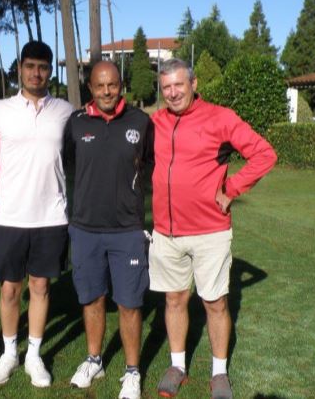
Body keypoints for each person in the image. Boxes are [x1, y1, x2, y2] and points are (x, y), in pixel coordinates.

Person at [149, 59, 277, 399]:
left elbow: (264, 154)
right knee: (174, 299)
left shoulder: (221, 117)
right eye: (166, 87)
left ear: (193, 83)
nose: (173, 93)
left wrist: (232, 189)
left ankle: (219, 372)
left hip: (209, 231)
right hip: (166, 232)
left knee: (215, 303)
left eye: (179, 85)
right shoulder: (157, 121)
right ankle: (178, 366)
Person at [0, 41, 74, 388]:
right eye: (30, 66)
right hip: (9, 215)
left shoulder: (65, 111)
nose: (36, 73)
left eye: (43, 67)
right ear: (19, 68)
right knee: (10, 289)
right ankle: (10, 352)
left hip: (51, 215)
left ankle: (34, 354)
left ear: (50, 71)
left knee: (40, 285)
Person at [64, 61, 153, 399]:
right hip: (85, 228)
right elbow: (65, 163)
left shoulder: (141, 122)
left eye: (112, 85)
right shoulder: (76, 123)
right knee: (92, 298)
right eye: (100, 86)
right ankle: (94, 359)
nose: (106, 91)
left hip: (127, 230)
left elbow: (155, 166)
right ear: (90, 87)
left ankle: (132, 372)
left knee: (129, 303)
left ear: (121, 86)